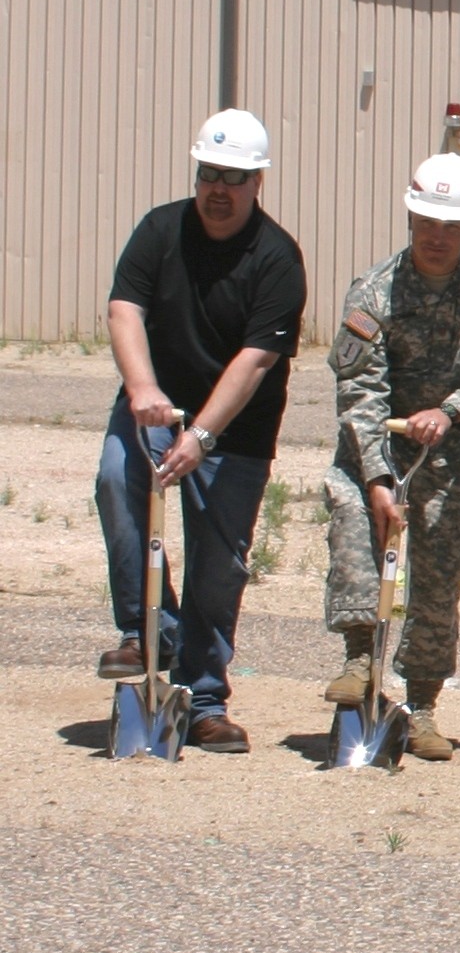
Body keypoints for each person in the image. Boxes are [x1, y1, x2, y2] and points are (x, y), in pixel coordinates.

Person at [94, 109, 306, 755]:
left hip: (234, 431)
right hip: (154, 408)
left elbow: (255, 361)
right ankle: (144, 630)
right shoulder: (160, 230)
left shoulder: (276, 257)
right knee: (114, 479)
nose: (219, 188)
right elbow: (123, 307)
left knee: (219, 565)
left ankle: (203, 696)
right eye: (209, 173)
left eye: (234, 177)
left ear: (257, 182)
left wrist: (203, 436)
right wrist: (142, 390)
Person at [321, 154, 460, 761]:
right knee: (353, 530)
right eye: (427, 222)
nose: (437, 237)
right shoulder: (374, 291)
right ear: (411, 216)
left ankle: (422, 705)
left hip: (452, 451)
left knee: (440, 574)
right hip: (377, 445)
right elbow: (359, 389)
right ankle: (361, 661)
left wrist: (452, 410)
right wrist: (376, 479)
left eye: (451, 225)